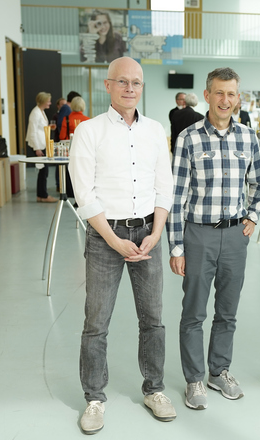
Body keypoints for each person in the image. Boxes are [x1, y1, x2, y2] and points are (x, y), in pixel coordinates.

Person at [68, 57, 176, 434]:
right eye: (123, 82)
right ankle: (94, 398)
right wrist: (114, 241)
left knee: (154, 320)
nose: (130, 88)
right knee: (96, 322)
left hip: (148, 232)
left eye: (137, 83)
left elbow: (165, 185)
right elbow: (84, 193)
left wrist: (157, 231)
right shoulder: (89, 131)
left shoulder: (155, 131)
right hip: (104, 237)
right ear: (108, 85)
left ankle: (155, 389)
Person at [167, 67, 260, 411]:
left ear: (239, 98)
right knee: (194, 312)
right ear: (207, 95)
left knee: (227, 312)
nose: (226, 100)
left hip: (234, 236)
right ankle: (194, 379)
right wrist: (177, 246)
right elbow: (177, 195)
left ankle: (218, 371)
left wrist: (252, 217)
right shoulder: (189, 138)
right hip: (198, 235)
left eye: (232, 94)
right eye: (219, 93)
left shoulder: (247, 137)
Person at [26, 91, 57, 203]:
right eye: (48, 101)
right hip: (38, 145)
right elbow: (33, 131)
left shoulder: (40, 112)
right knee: (44, 170)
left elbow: (39, 128)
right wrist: (37, 148)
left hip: (41, 144)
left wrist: (48, 127)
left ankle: (41, 195)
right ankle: (43, 196)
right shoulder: (35, 113)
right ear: (43, 101)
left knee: (43, 171)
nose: (50, 103)